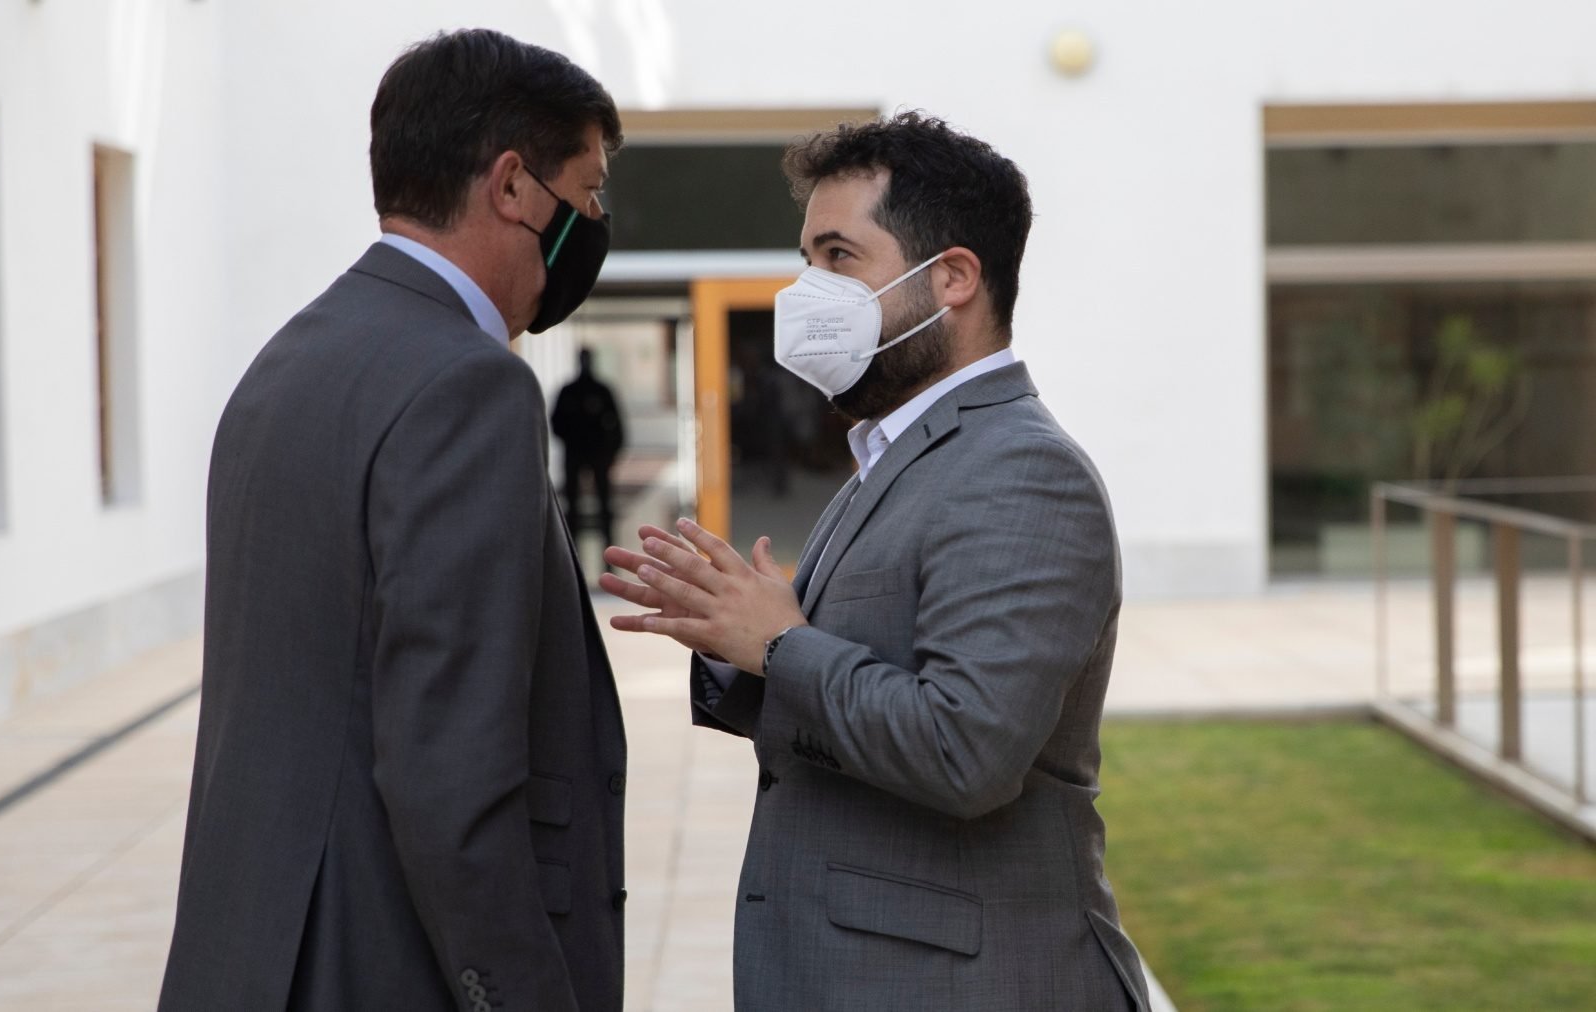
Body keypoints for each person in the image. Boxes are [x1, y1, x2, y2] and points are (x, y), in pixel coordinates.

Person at [602, 113, 1151, 1010]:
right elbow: (848, 696)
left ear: (956, 279)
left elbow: (963, 751)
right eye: (806, 258)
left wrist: (782, 645)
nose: (805, 290)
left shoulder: (1021, 470)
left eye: (837, 257)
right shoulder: (893, 455)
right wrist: (735, 636)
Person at [159, 30, 627, 1012]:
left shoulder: (291, 358)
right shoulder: (470, 385)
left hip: (257, 951)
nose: (593, 225)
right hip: (377, 962)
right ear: (512, 186)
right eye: (586, 196)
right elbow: (450, 775)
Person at [551, 347, 625, 550]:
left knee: (604, 501)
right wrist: (570, 439)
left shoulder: (601, 391)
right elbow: (556, 422)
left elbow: (617, 423)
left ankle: (608, 544)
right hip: (575, 453)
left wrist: (612, 452)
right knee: (572, 502)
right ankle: (572, 545)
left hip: (597, 453)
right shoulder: (569, 391)